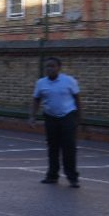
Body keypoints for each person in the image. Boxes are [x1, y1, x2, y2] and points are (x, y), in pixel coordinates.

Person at [29, 57, 82, 188]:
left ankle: (72, 178)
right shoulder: (41, 83)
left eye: (52, 66)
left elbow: (77, 99)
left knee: (69, 148)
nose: (49, 69)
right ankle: (52, 176)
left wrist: (79, 119)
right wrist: (32, 116)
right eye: (47, 66)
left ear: (59, 67)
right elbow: (36, 100)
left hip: (68, 116)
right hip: (50, 117)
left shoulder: (69, 81)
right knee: (53, 147)